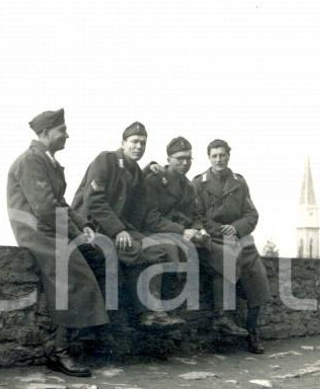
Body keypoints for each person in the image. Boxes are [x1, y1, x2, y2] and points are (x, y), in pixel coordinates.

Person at [7, 108, 108, 377]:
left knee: (98, 257)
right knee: (73, 274)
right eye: (61, 130)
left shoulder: (47, 160)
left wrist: (84, 225)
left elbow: (61, 203)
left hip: (50, 228)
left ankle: (83, 340)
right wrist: (75, 235)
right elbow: (45, 208)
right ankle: (59, 351)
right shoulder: (31, 160)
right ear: (44, 133)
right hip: (36, 231)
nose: (66, 135)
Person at [72, 122, 184, 328]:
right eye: (134, 142)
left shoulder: (137, 173)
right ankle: (147, 312)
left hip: (118, 227)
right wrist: (119, 230)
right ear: (123, 143)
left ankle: (155, 310)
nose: (139, 146)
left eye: (143, 143)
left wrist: (180, 231)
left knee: (159, 248)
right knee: (133, 250)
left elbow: (143, 212)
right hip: (91, 226)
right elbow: (94, 201)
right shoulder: (106, 160)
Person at [192, 139, 270, 353]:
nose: (219, 159)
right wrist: (219, 230)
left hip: (239, 237)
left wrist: (235, 228)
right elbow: (196, 216)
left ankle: (253, 332)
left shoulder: (239, 182)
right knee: (224, 263)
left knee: (257, 279)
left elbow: (251, 214)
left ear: (228, 156)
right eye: (214, 155)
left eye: (222, 155)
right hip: (214, 238)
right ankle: (223, 319)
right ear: (209, 157)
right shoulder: (199, 183)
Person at [142, 136, 209, 301]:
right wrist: (182, 230)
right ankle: (159, 306)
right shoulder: (155, 180)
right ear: (168, 159)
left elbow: (196, 215)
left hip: (179, 234)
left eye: (188, 158)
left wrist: (200, 229)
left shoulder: (189, 186)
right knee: (170, 250)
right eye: (180, 159)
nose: (185, 163)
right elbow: (151, 218)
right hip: (152, 232)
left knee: (211, 249)